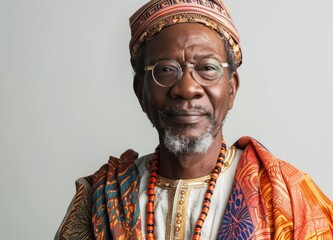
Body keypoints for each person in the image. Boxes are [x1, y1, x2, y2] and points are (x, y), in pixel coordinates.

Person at [55, 0, 333, 239]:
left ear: (232, 88)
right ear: (140, 91)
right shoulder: (101, 201)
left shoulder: (287, 197)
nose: (187, 88)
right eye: (165, 70)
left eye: (207, 68)